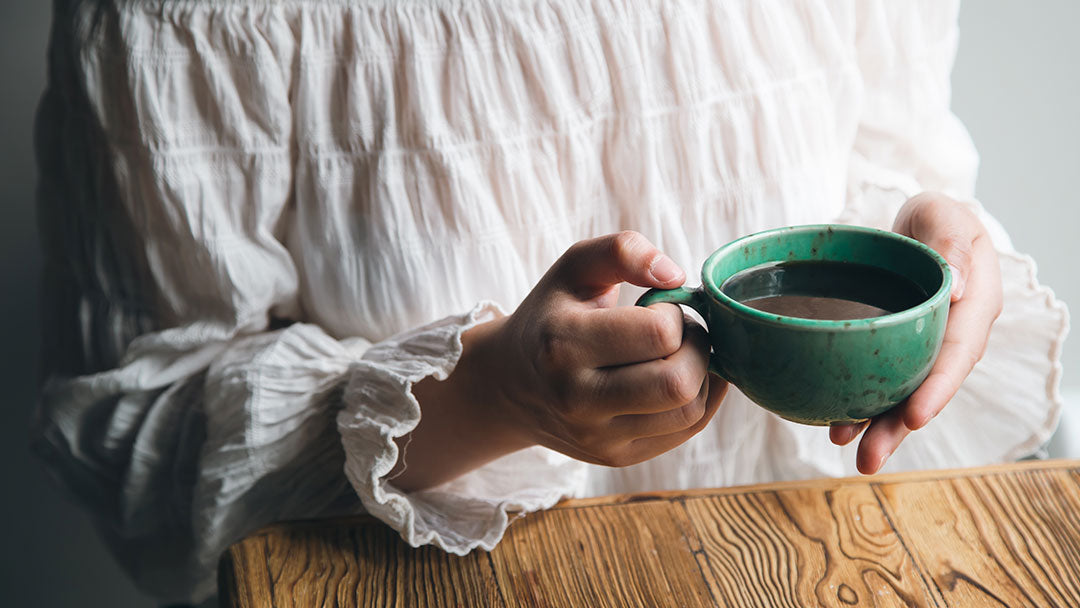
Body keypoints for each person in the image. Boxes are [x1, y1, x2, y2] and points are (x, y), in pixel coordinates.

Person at [34, 0, 1068, 604]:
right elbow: (137, 429)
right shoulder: (194, 25)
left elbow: (889, 172)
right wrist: (483, 396)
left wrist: (938, 229)